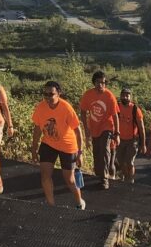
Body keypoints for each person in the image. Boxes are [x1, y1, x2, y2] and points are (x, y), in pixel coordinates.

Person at [30, 81, 86, 209]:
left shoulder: (66, 108)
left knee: (69, 179)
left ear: (59, 93)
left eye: (51, 94)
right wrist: (34, 148)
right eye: (45, 94)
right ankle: (51, 206)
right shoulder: (41, 107)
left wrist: (80, 153)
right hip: (48, 143)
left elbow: (78, 131)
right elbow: (37, 128)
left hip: (67, 145)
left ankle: (79, 201)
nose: (48, 98)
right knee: (45, 175)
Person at [79, 71, 120, 189]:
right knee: (96, 152)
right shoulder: (88, 95)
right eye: (98, 82)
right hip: (94, 127)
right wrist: (86, 130)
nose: (101, 85)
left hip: (107, 127)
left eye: (103, 83)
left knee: (104, 149)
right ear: (94, 83)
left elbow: (115, 115)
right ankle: (99, 174)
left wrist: (117, 133)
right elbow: (83, 111)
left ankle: (104, 178)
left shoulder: (109, 96)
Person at [115, 87, 147, 184]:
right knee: (121, 161)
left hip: (132, 140)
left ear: (130, 97)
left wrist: (143, 144)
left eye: (127, 95)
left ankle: (131, 181)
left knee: (130, 162)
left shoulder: (135, 109)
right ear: (120, 96)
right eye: (123, 95)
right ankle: (125, 178)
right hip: (119, 139)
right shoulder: (117, 107)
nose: (125, 97)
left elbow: (141, 128)